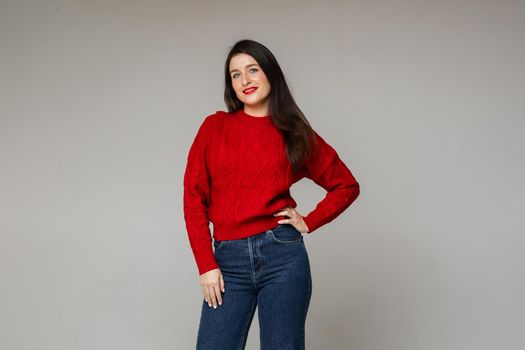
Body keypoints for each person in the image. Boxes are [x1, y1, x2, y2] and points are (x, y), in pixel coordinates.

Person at [183, 39, 360, 350]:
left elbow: (346, 184)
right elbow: (193, 199)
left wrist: (309, 220)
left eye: (252, 69)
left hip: (282, 257)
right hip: (227, 262)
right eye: (235, 75)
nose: (245, 80)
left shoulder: (294, 133)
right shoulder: (214, 128)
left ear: (271, 74)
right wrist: (206, 265)